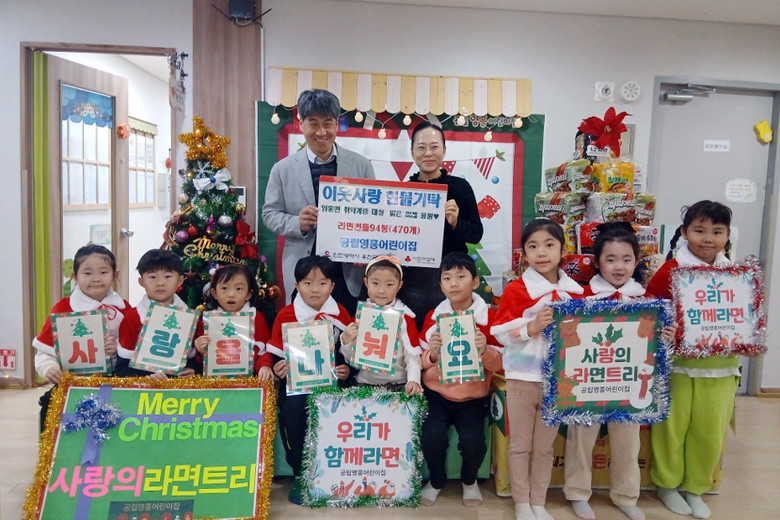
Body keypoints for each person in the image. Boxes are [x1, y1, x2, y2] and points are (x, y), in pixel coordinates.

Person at [563, 223, 674, 520]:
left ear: (636, 262)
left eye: (626, 259)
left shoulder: (646, 302)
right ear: (597, 262)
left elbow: (654, 348)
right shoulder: (583, 299)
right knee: (580, 437)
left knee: (628, 442)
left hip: (628, 385)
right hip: (589, 384)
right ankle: (577, 492)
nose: (619, 266)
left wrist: (664, 336)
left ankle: (626, 495)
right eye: (610, 259)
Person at [645, 200, 736, 520]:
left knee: (710, 431)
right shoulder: (670, 271)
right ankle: (667, 485)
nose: (708, 238)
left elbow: (747, 317)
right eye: (699, 230)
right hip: (677, 368)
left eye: (717, 232)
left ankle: (696, 487)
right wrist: (664, 330)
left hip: (720, 369)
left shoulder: (735, 275)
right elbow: (649, 311)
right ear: (684, 232)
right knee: (671, 428)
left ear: (727, 235)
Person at [491, 218, 584, 520]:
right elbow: (499, 334)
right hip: (522, 378)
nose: (541, 253)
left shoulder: (575, 293)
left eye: (549, 245)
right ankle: (521, 502)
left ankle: (539, 502)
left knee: (545, 448)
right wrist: (530, 327)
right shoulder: (517, 290)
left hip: (558, 381)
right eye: (533, 246)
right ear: (524, 254)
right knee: (520, 446)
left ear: (563, 250)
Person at [261, 89, 375, 315]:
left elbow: (373, 215)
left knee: (346, 327)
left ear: (337, 125)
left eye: (328, 123)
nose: (321, 132)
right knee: (304, 330)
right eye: (313, 123)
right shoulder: (282, 169)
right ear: (301, 124)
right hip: (303, 267)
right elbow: (269, 214)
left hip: (347, 270)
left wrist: (364, 252)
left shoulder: (361, 165)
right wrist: (297, 223)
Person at [417, 252, 502, 508]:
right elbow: (419, 361)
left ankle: (469, 480)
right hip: (437, 395)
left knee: (473, 441)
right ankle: (436, 480)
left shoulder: (489, 320)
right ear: (440, 285)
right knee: (431, 436)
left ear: (475, 282)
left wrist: (485, 350)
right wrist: (432, 355)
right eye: (447, 278)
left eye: (461, 276)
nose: (453, 283)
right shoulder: (433, 317)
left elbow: (501, 364)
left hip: (473, 397)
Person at [267, 255, 353, 504]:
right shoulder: (286, 315)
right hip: (297, 386)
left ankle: (334, 473)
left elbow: (348, 352)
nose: (315, 289)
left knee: (338, 416)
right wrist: (279, 368)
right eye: (307, 283)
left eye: (322, 283)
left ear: (332, 286)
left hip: (331, 383)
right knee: (292, 414)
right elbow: (276, 355)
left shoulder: (340, 313)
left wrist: (346, 369)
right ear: (296, 285)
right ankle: (300, 473)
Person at [33, 244, 142, 432]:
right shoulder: (63, 309)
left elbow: (133, 353)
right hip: (73, 382)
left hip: (114, 381)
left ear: (114, 275)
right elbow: (44, 353)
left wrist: (115, 350)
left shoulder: (123, 309)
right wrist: (48, 368)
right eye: (88, 273)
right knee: (50, 407)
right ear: (74, 277)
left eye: (103, 272)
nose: (96, 279)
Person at [403, 121, 484, 329]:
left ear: (444, 151)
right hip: (414, 279)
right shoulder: (404, 190)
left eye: (434, 147)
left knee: (453, 334)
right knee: (417, 333)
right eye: (421, 147)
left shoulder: (460, 187)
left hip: (450, 277)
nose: (428, 153)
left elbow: (476, 234)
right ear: (412, 153)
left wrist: (456, 223)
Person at [340, 255, 423, 395]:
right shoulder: (361, 316)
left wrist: (413, 380)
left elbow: (412, 355)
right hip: (364, 384)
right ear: (366, 282)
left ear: (399, 285)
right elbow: (350, 359)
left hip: (398, 384)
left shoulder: (405, 318)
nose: (381, 291)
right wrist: (346, 340)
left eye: (389, 285)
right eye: (375, 283)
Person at [115, 248, 198, 379]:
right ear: (141, 282)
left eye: (168, 276)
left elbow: (196, 360)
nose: (160, 283)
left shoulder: (190, 318)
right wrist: (147, 376)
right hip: (144, 389)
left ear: (180, 280)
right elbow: (122, 367)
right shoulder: (133, 318)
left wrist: (193, 370)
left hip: (182, 389)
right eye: (152, 277)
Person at [193, 264, 272, 380]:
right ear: (214, 293)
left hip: (248, 381)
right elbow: (201, 361)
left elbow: (263, 350)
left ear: (248, 294)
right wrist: (200, 351)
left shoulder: (256, 318)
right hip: (215, 382)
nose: (231, 295)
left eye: (238, 289)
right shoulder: (207, 321)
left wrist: (264, 366)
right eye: (224, 288)